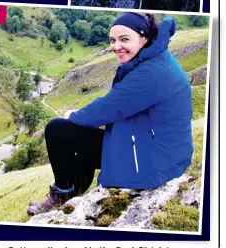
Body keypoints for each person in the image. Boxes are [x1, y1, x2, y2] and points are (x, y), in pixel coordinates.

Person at [27, 13, 193, 216]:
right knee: (78, 140)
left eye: (124, 39)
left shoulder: (152, 73)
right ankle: (71, 194)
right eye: (112, 40)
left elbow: (109, 107)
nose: (116, 46)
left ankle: (64, 194)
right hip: (156, 149)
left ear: (144, 38)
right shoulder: (156, 60)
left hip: (153, 161)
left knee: (58, 130)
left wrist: (74, 115)